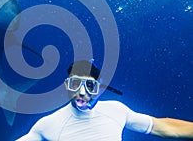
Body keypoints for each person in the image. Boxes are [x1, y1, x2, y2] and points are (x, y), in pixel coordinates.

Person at [16, 60, 193, 140]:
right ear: (66, 85)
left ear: (98, 88)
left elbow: (166, 128)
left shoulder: (116, 110)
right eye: (75, 84)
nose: (82, 92)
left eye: (89, 86)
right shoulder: (47, 125)